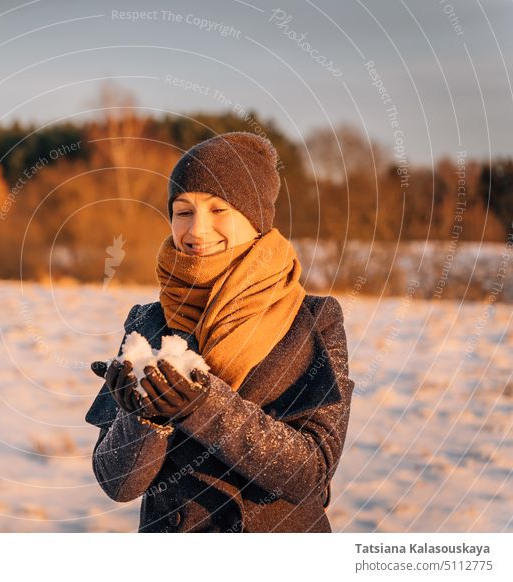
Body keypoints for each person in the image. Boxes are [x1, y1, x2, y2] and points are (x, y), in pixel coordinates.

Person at [85, 131, 355, 533]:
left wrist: (203, 404)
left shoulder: (313, 320)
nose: (196, 231)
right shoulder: (148, 322)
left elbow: (310, 472)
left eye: (218, 210)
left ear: (256, 219)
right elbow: (117, 483)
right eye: (183, 211)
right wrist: (142, 419)